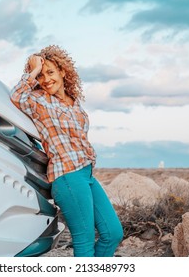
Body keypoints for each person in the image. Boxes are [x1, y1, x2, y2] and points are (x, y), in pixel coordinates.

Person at [11, 45, 123, 257]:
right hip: (67, 176)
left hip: (86, 173)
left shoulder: (74, 102)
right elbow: (16, 96)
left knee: (113, 233)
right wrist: (32, 71)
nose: (46, 79)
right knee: (84, 241)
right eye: (41, 75)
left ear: (63, 72)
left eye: (50, 72)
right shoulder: (38, 100)